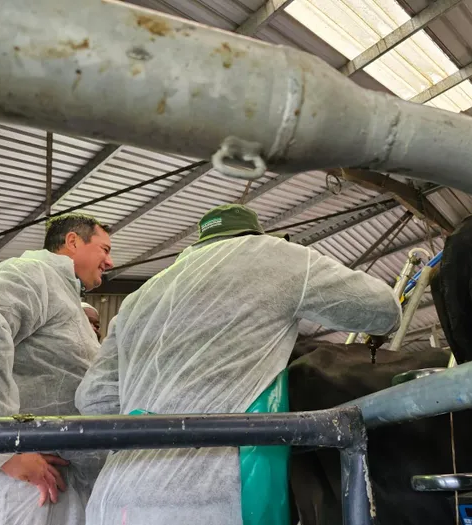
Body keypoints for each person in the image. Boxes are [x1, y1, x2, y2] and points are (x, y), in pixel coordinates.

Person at [76, 203, 402, 525]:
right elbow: (383, 309)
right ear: (252, 232)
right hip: (208, 501)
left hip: (114, 501)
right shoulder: (275, 255)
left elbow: (93, 399)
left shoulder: (139, 298)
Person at [0, 213, 114, 525]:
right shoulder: (33, 274)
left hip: (45, 486)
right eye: (105, 249)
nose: (109, 262)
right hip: (16, 490)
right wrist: (1, 450)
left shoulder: (64, 297)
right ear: (73, 241)